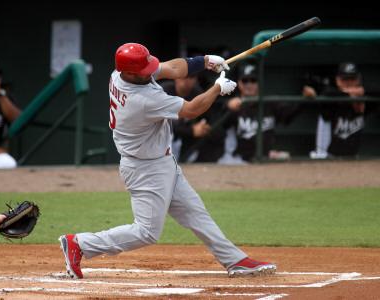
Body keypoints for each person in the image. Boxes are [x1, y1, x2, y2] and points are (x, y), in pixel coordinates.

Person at [59, 43, 276, 279]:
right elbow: (192, 109)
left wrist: (203, 61)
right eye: (144, 69)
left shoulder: (121, 74)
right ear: (130, 72)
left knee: (196, 213)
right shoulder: (143, 99)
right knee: (146, 232)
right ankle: (80, 244)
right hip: (145, 168)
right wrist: (216, 89)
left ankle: (235, 260)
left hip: (161, 161)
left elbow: (169, 67)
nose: (149, 71)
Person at [224, 62, 299, 162]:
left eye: (253, 80)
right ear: (239, 83)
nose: (249, 84)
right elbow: (219, 128)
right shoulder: (234, 105)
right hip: (237, 160)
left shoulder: (269, 104)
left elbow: (288, 116)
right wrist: (226, 107)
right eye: (245, 81)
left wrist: (305, 100)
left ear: (259, 83)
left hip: (265, 159)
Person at [304, 62, 366, 158]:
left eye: (352, 79)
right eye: (345, 79)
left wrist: (362, 92)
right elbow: (327, 93)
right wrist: (353, 93)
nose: (349, 82)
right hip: (328, 156)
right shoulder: (332, 97)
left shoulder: (365, 98)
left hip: (353, 158)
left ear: (358, 80)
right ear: (338, 80)